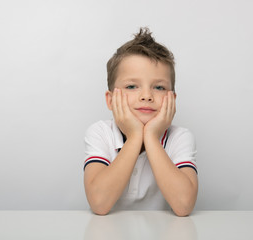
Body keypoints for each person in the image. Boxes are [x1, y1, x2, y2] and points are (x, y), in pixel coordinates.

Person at [83, 28, 198, 216]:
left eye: (159, 87)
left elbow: (184, 206)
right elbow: (99, 203)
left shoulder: (180, 137)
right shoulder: (100, 132)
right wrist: (135, 136)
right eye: (132, 86)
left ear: (173, 99)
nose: (146, 96)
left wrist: (151, 137)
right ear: (111, 100)